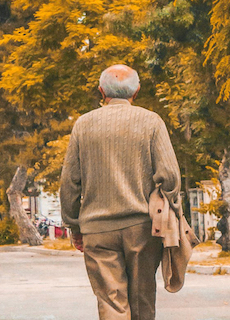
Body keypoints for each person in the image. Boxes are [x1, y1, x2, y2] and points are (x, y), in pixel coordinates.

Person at [60, 64, 182, 320]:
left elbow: (70, 182)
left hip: (97, 230)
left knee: (111, 304)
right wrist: (171, 210)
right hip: (143, 228)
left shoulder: (83, 125)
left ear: (101, 91)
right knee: (142, 301)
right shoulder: (151, 121)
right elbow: (170, 176)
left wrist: (74, 226)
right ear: (136, 91)